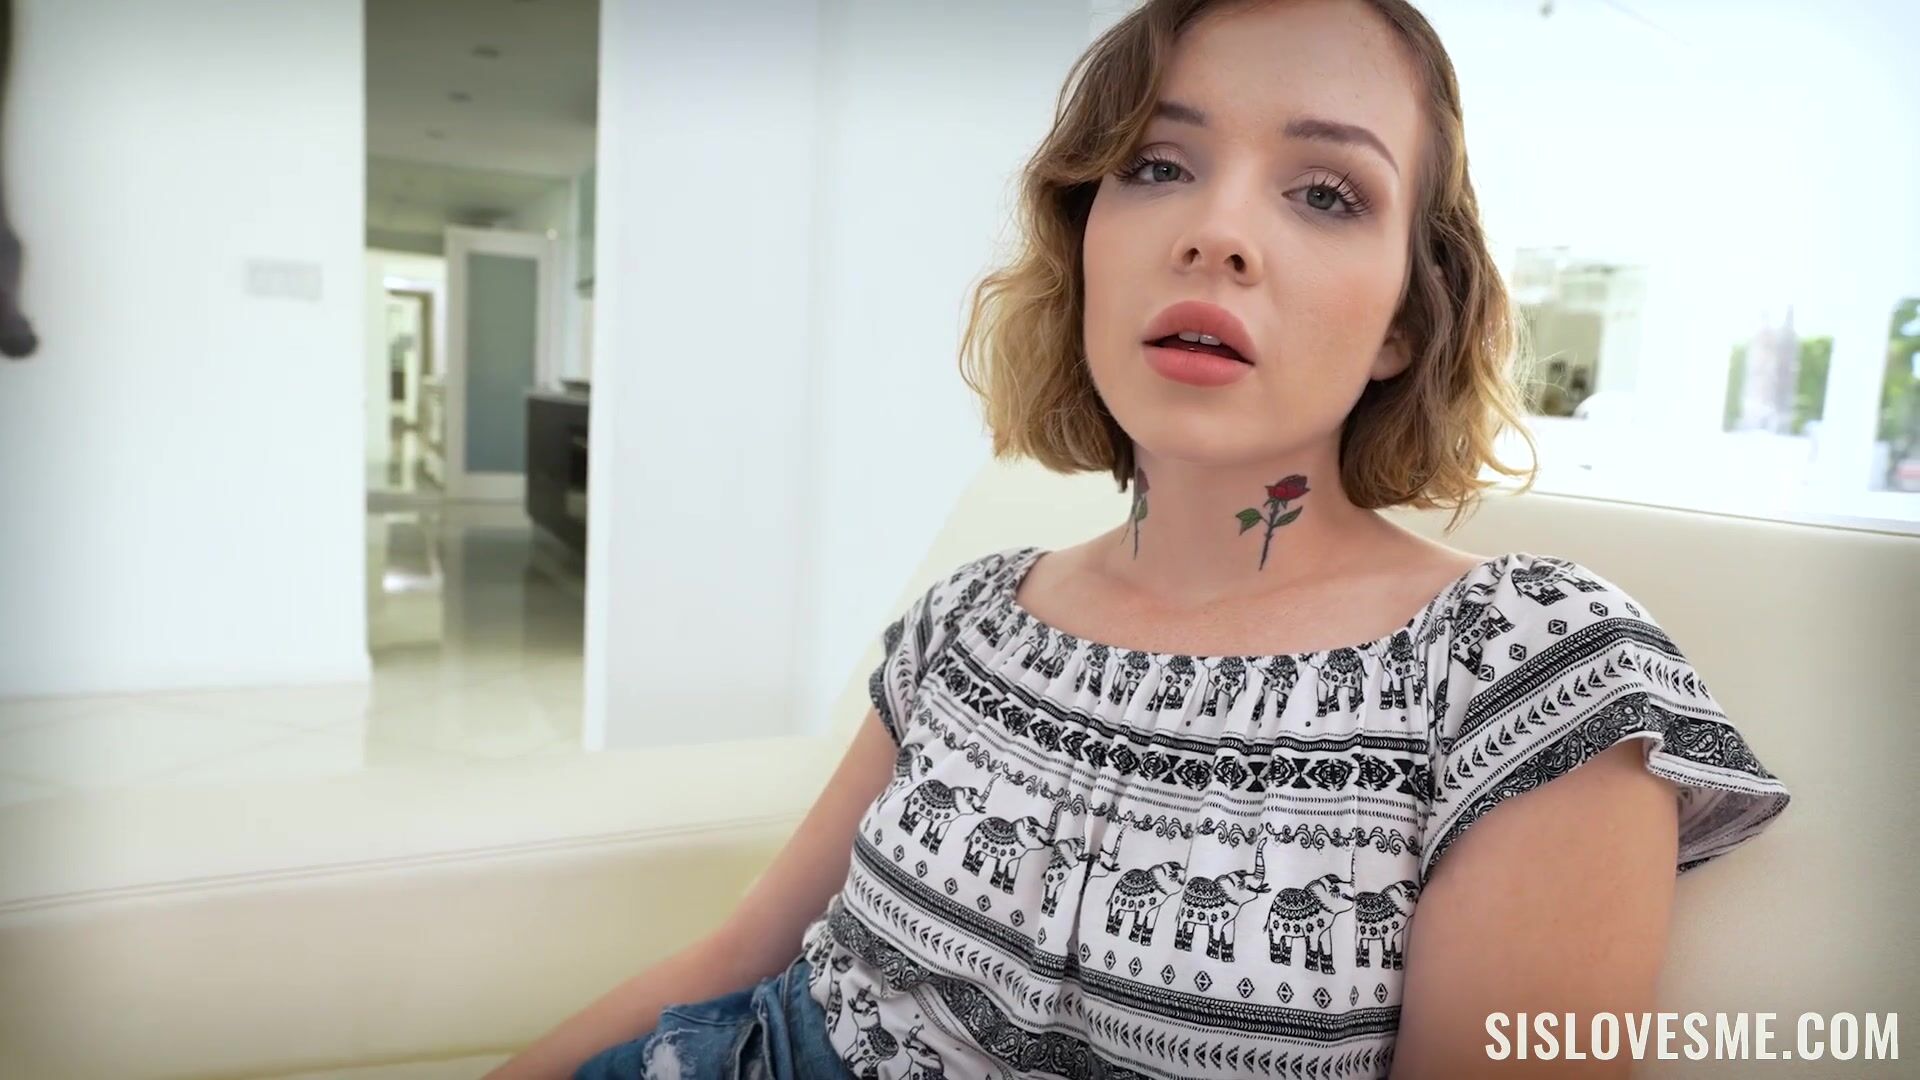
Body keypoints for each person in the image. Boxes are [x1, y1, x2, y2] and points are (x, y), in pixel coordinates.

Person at [492, 0, 1792, 1076]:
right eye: (1157, 166)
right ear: (1086, 245)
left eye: (1326, 192)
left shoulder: (1524, 669)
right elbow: (736, 961)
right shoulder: (969, 619)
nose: (1215, 232)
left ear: (1406, 319)